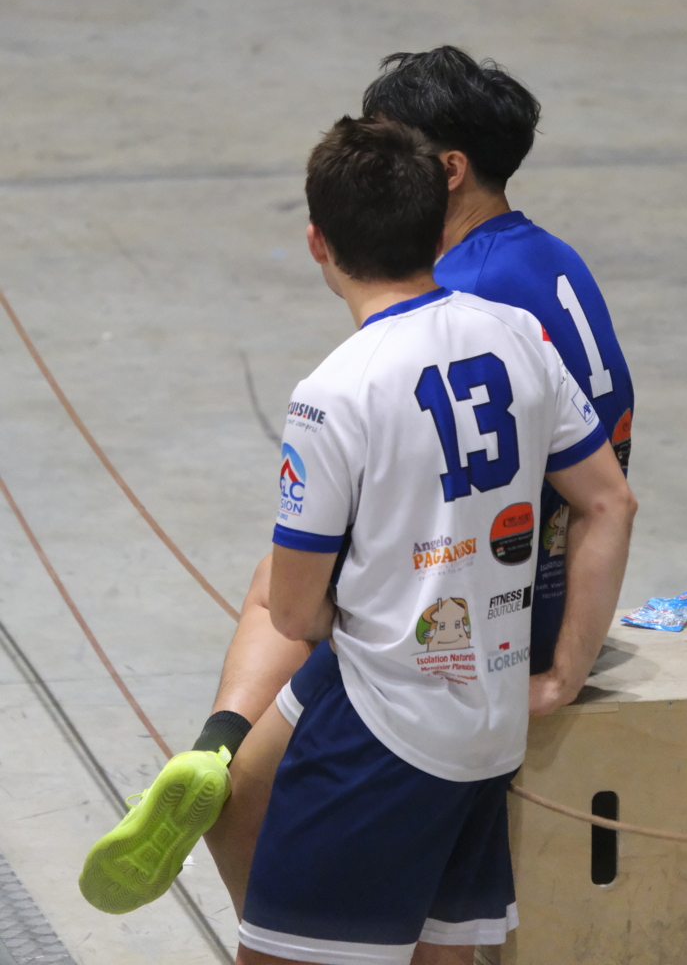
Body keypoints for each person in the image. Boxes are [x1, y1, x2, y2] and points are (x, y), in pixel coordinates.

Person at [80, 49, 635, 925]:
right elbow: (606, 492)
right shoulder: (548, 259)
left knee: (285, 598)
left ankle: (222, 755)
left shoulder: (458, 299)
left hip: (487, 615)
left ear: (446, 170)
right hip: (550, 568)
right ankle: (226, 757)